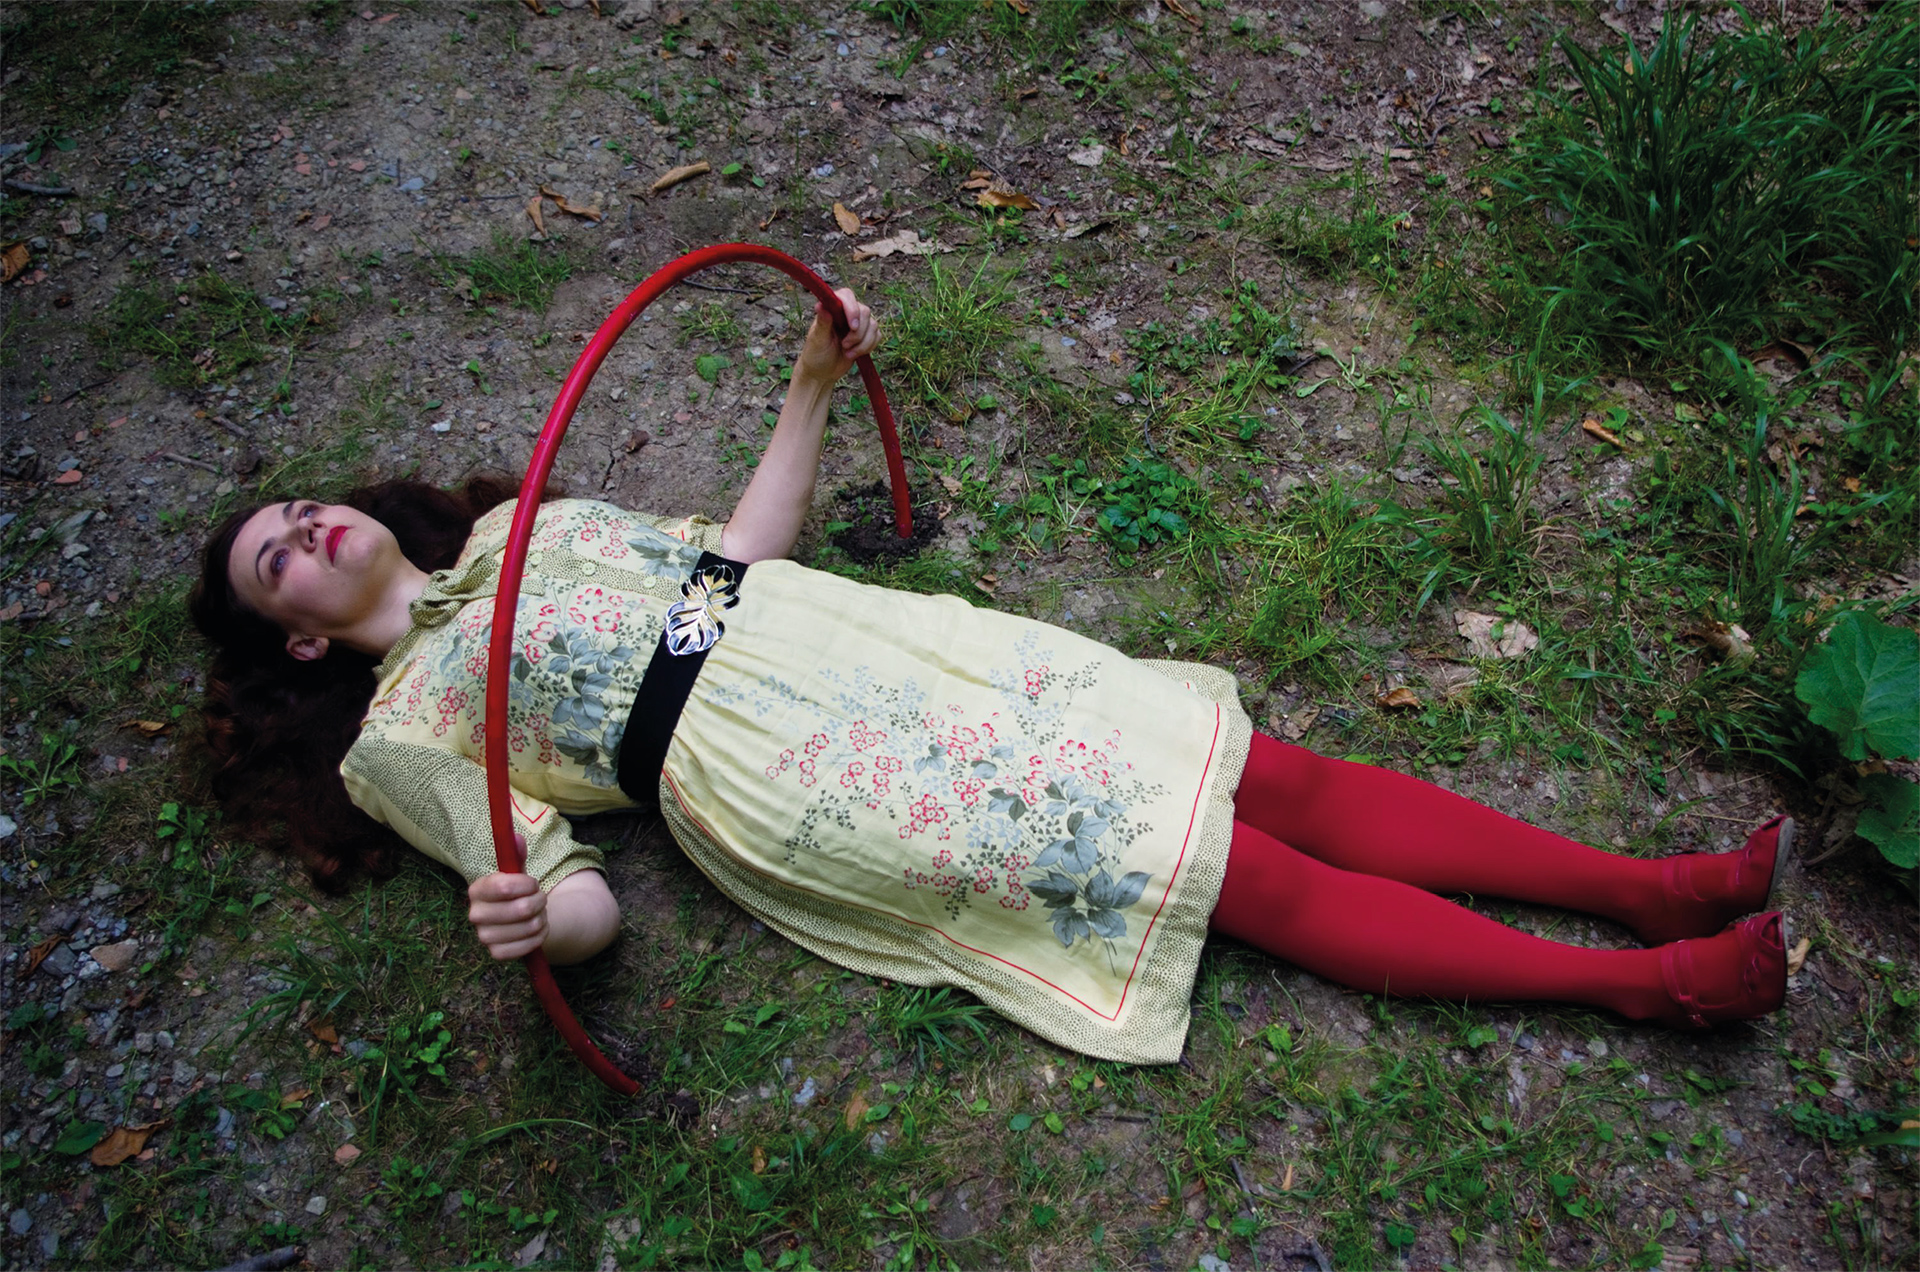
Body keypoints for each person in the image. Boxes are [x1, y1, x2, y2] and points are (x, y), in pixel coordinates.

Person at [190, 287, 1789, 1063]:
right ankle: (1645, 986)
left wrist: (810, 388)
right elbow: (571, 894)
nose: (308, 530)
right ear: (301, 638)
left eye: (299, 510)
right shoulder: (400, 733)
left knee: (1262, 773)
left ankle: (1652, 886)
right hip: (787, 776)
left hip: (860, 644)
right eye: (278, 561)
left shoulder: (528, 525)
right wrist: (541, 922)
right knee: (1228, 871)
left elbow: (733, 561)